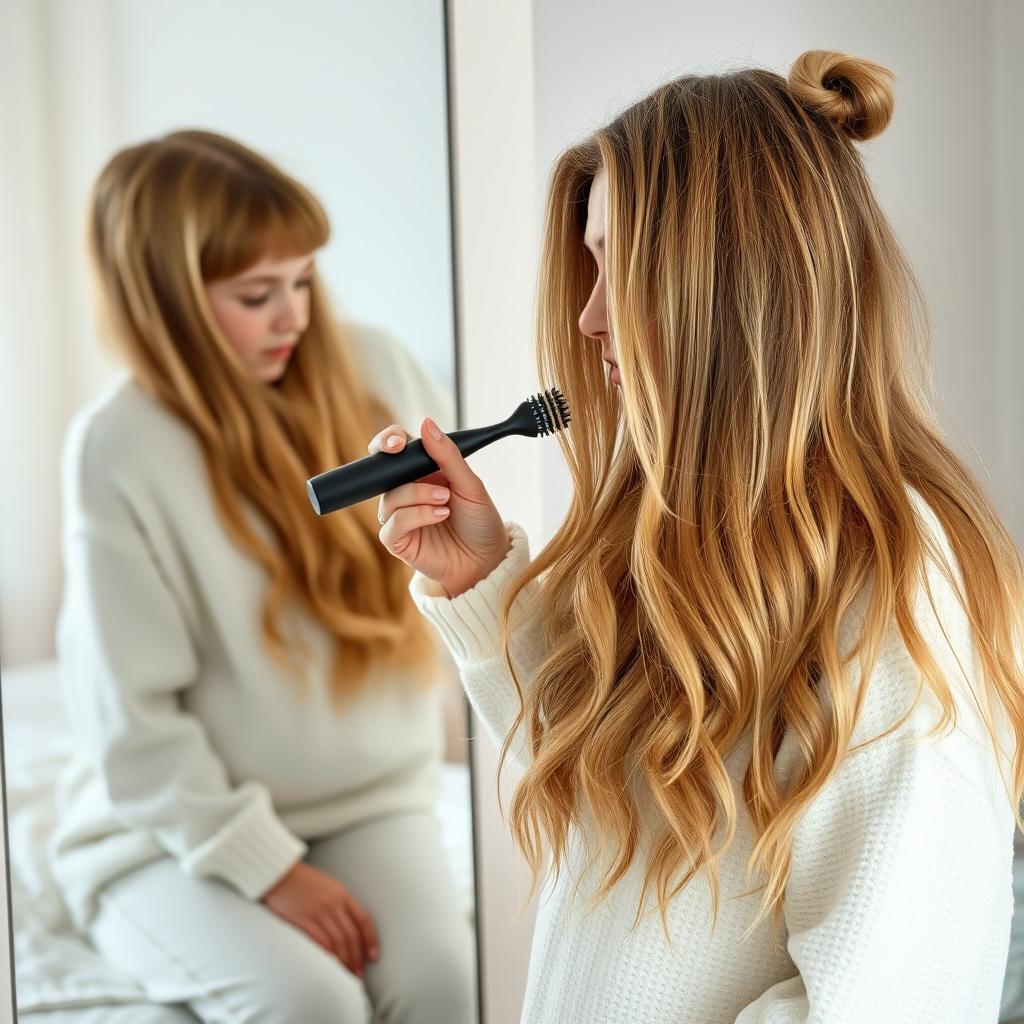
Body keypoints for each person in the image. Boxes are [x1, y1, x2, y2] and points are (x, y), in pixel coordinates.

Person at [369, 50, 1024, 1023]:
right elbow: (622, 796)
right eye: (587, 265)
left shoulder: (893, 595)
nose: (588, 318)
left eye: (617, 266)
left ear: (732, 282)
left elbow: (886, 998)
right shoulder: (705, 534)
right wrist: (480, 582)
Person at [47, 129, 475, 1024]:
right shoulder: (117, 446)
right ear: (165, 302)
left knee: (443, 983)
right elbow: (133, 725)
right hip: (163, 833)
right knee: (309, 1003)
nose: (294, 317)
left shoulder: (377, 366)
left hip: (366, 801)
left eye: (303, 282)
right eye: (256, 294)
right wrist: (268, 870)